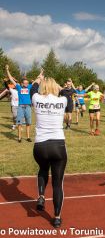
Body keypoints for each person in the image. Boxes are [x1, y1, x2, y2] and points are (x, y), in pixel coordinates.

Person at [30, 70, 67, 228]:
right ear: (55, 87)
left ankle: (41, 196)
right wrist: (60, 87)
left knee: (43, 169)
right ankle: (57, 217)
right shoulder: (63, 100)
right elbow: (66, 94)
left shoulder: (36, 98)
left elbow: (32, 88)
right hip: (58, 145)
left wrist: (39, 78)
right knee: (57, 184)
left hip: (40, 145)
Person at [6, 65, 32, 142]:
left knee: (28, 123)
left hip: (28, 107)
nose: (26, 84)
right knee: (19, 123)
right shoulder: (18, 87)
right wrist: (7, 70)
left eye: (27, 83)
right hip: (20, 107)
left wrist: (41, 73)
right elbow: (11, 79)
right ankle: (19, 138)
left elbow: (37, 80)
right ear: (22, 83)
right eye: (25, 83)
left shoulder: (29, 87)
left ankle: (28, 137)